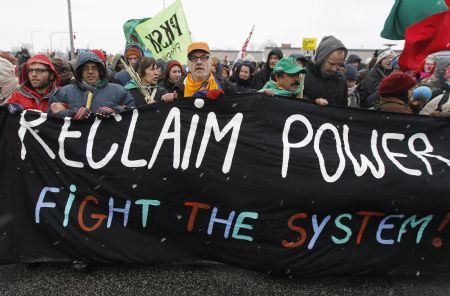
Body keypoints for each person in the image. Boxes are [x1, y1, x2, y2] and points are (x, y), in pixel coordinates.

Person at [48, 52, 134, 119]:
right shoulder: (64, 92)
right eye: (85, 68)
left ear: (100, 70)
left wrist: (115, 111)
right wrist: (72, 113)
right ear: (79, 71)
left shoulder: (118, 90)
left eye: (94, 68)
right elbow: (48, 115)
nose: (90, 71)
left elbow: (133, 111)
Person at [163, 42, 236, 102]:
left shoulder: (227, 87)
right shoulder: (178, 89)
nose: (199, 62)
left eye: (204, 57)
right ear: (188, 63)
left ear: (210, 62)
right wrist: (166, 101)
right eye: (193, 58)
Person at [303, 35, 348, 106]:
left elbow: (344, 109)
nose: (334, 69)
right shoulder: (303, 77)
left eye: (339, 64)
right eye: (331, 64)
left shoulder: (341, 80)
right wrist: (312, 102)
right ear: (321, 59)